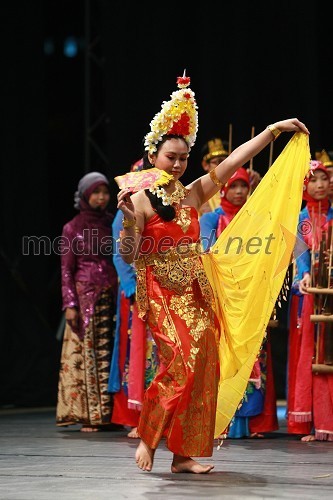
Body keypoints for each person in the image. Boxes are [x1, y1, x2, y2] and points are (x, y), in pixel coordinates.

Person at [115, 73, 310, 473]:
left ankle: (183, 455)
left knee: (204, 367)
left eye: (184, 158)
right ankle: (150, 438)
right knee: (182, 364)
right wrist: (131, 222)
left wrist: (273, 131)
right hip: (163, 294)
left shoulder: (192, 193)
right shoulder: (138, 200)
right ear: (154, 157)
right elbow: (131, 255)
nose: (178, 164)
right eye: (171, 157)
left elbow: (236, 159)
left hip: (196, 289)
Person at [200, 168, 278, 438]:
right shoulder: (211, 218)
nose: (239, 192)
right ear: (223, 190)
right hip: (222, 293)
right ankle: (220, 420)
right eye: (234, 186)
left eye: (244, 186)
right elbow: (206, 251)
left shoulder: (256, 219)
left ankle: (254, 423)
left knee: (252, 353)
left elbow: (268, 253)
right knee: (222, 354)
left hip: (251, 294)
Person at [56, 172, 118, 432]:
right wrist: (69, 304)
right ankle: (90, 416)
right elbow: (66, 269)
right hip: (85, 297)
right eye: (96, 192)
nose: (101, 197)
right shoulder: (72, 227)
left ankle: (110, 414)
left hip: (111, 293)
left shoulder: (112, 223)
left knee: (110, 353)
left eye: (104, 192)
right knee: (89, 354)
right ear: (84, 195)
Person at [108, 159, 159, 438]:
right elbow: (121, 254)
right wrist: (133, 288)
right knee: (139, 353)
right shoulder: (128, 208)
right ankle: (138, 416)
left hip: (161, 288)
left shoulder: (162, 205)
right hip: (138, 292)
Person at [286, 160, 333, 441]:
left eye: (323, 179)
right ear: (305, 185)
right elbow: (300, 257)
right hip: (309, 296)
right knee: (311, 355)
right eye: (313, 180)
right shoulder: (301, 218)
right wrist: (304, 276)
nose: (319, 184)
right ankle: (313, 423)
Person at [199, 136, 262, 216]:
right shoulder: (200, 190)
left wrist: (257, 185)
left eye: (226, 162)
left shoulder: (244, 182)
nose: (223, 166)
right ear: (205, 165)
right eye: (218, 162)